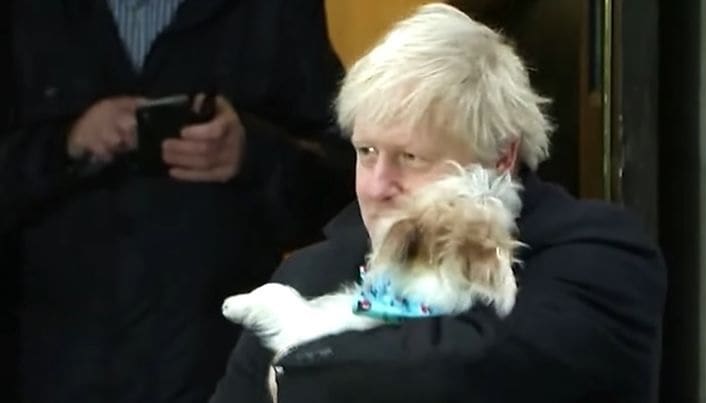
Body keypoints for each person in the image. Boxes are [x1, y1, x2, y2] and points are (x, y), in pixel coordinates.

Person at [209, 4, 667, 403]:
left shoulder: (601, 255)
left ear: (500, 156)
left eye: (410, 158)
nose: (377, 185)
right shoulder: (309, 273)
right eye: (366, 153)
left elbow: (465, 371)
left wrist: (296, 351)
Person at [0, 0, 353, 402]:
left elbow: (350, 192)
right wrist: (64, 147)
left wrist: (252, 154)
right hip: (46, 370)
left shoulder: (274, 11)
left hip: (217, 371)